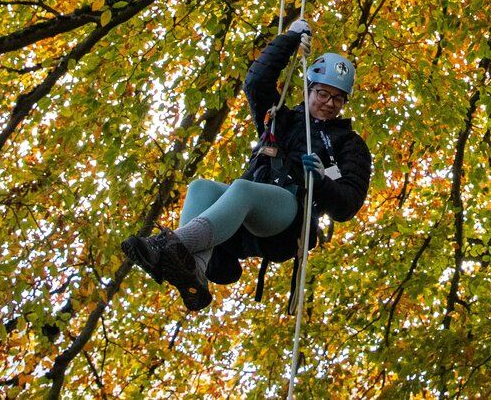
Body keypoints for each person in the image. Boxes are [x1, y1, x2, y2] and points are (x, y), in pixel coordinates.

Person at [122, 19, 372, 311]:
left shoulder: (349, 144)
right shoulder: (282, 119)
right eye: (323, 94)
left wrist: (322, 181)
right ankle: (197, 271)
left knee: (242, 189)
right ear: (309, 89)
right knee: (201, 187)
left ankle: (168, 245)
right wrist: (289, 39)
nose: (330, 103)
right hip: (247, 216)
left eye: (338, 99)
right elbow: (256, 82)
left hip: (289, 219)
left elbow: (348, 204)